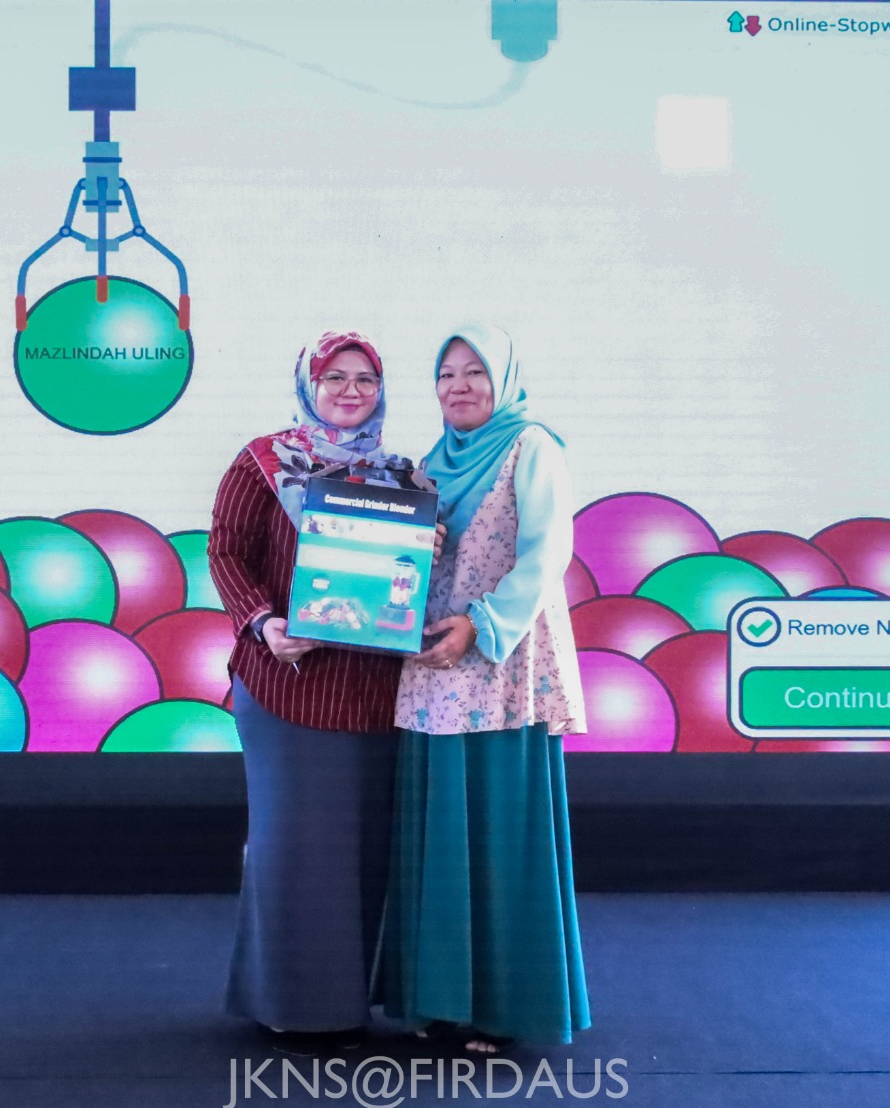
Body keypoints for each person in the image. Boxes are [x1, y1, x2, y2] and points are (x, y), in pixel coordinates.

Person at [377, 323, 590, 1055]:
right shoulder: (427, 464)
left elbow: (546, 554)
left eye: (475, 372)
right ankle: (439, 1002)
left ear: (505, 380)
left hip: (501, 665)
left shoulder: (533, 447)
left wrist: (481, 625)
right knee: (438, 833)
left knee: (500, 834)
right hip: (433, 667)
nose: (459, 386)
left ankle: (503, 1008)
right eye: (446, 374)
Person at [209, 330, 421, 1052]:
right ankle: (290, 1005)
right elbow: (225, 550)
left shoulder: (401, 476)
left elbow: (412, 576)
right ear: (309, 384)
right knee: (294, 849)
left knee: (362, 851)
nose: (351, 391)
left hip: (374, 693)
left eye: (365, 379)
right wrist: (262, 622)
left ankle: (346, 1003)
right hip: (286, 687)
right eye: (336, 377)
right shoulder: (264, 462)